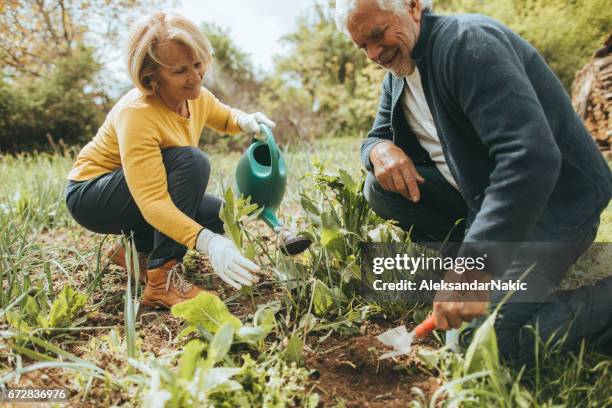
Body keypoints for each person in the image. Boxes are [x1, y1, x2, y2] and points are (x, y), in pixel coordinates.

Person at [335, 0, 612, 364]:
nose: (373, 53)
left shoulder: (468, 44)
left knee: (478, 341)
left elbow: (530, 158)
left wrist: (476, 265)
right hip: (483, 201)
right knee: (378, 187)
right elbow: (374, 135)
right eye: (362, 46)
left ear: (413, 6)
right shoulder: (399, 75)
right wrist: (378, 149)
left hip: (551, 210)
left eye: (377, 35)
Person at [65, 11, 275, 308]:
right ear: (151, 76)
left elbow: (224, 116)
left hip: (130, 193)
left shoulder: (195, 95)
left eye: (198, 64)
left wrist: (246, 121)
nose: (195, 77)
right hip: (92, 195)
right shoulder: (138, 113)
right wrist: (208, 243)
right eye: (179, 71)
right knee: (192, 163)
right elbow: (152, 201)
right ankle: (161, 280)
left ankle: (134, 252)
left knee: (216, 215)